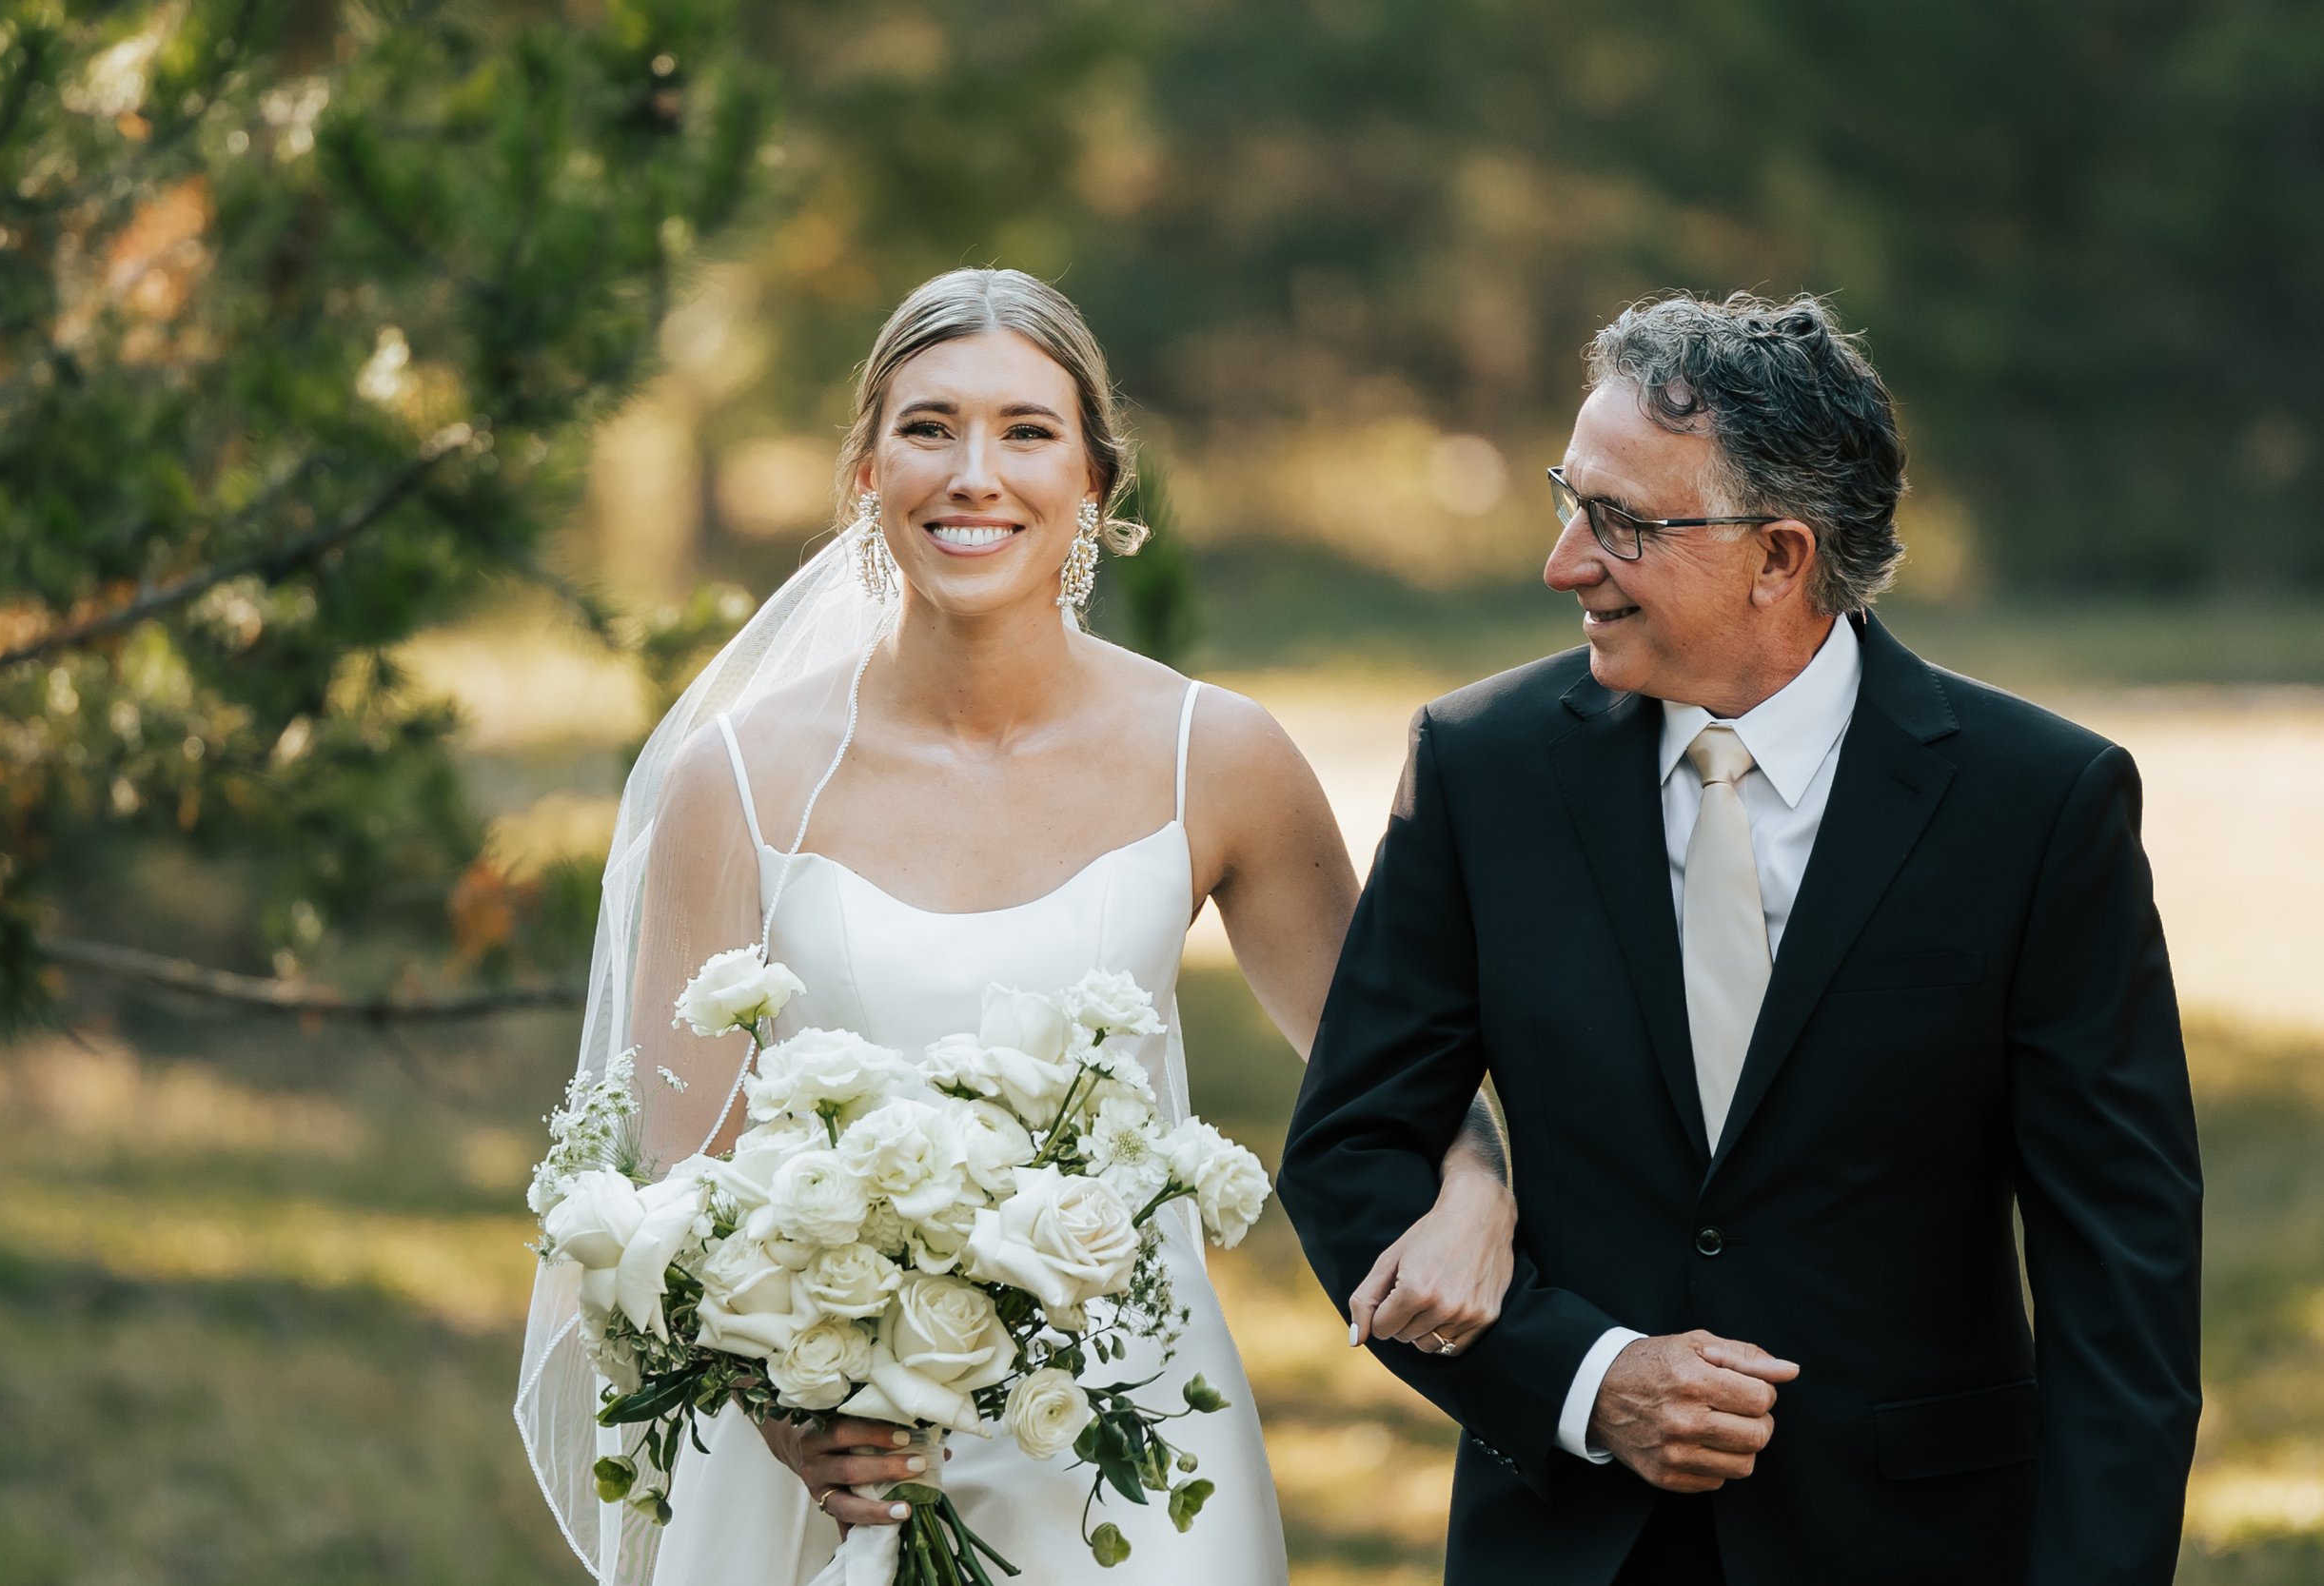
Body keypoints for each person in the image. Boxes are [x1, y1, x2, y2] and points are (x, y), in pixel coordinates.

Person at [516, 266, 1517, 1586]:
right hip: (849, 1462)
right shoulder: (739, 780)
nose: (973, 474)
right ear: (866, 473)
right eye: (928, 428)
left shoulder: (1214, 759)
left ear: (1098, 481)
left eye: (1027, 432)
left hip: (1136, 1454)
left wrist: (1480, 1187)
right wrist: (785, 1409)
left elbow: (1391, 1063)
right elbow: (669, 1188)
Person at [1279, 292, 2202, 1585]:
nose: (1564, 562)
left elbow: (2125, 1278)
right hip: (1569, 1546)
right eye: (1569, 499)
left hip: (1917, 1551)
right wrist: (1585, 1378)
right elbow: (1347, 1152)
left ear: (1780, 557)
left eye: (1622, 524)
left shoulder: (2039, 806)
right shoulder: (1479, 771)